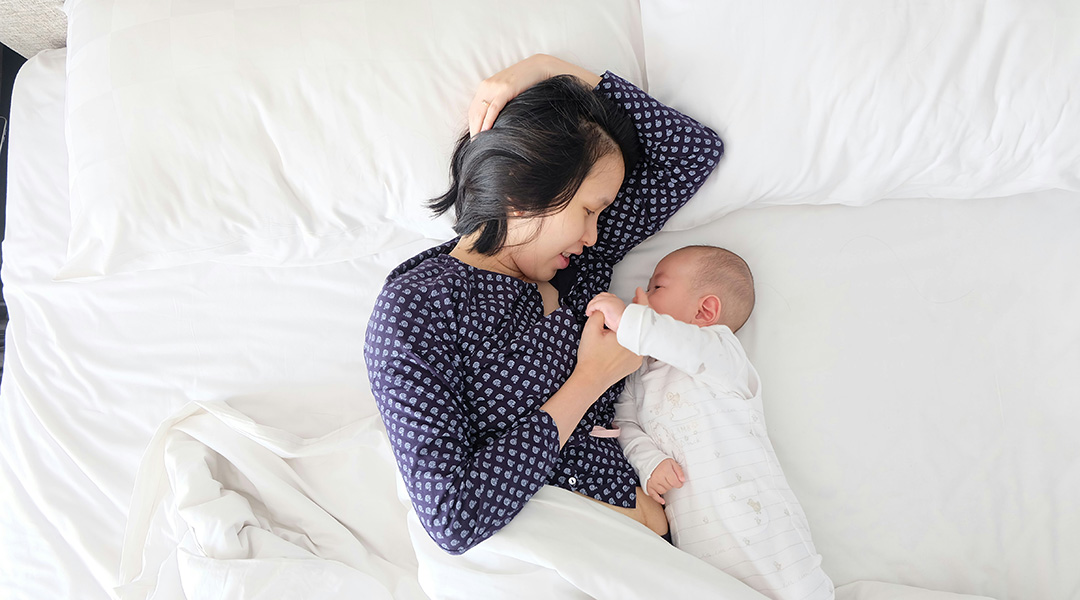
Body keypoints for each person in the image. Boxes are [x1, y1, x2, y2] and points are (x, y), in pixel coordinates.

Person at [363, 53, 723, 556]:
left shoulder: (579, 267)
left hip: (652, 551)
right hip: (556, 557)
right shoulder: (418, 308)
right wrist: (590, 379)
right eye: (588, 210)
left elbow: (691, 152)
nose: (595, 233)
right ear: (525, 187)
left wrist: (547, 69)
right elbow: (451, 515)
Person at [586, 245, 836, 600]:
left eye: (657, 288)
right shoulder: (638, 372)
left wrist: (629, 320)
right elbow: (625, 424)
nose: (639, 296)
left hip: (766, 531)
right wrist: (649, 462)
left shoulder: (720, 353)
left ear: (705, 311)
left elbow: (680, 344)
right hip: (701, 549)